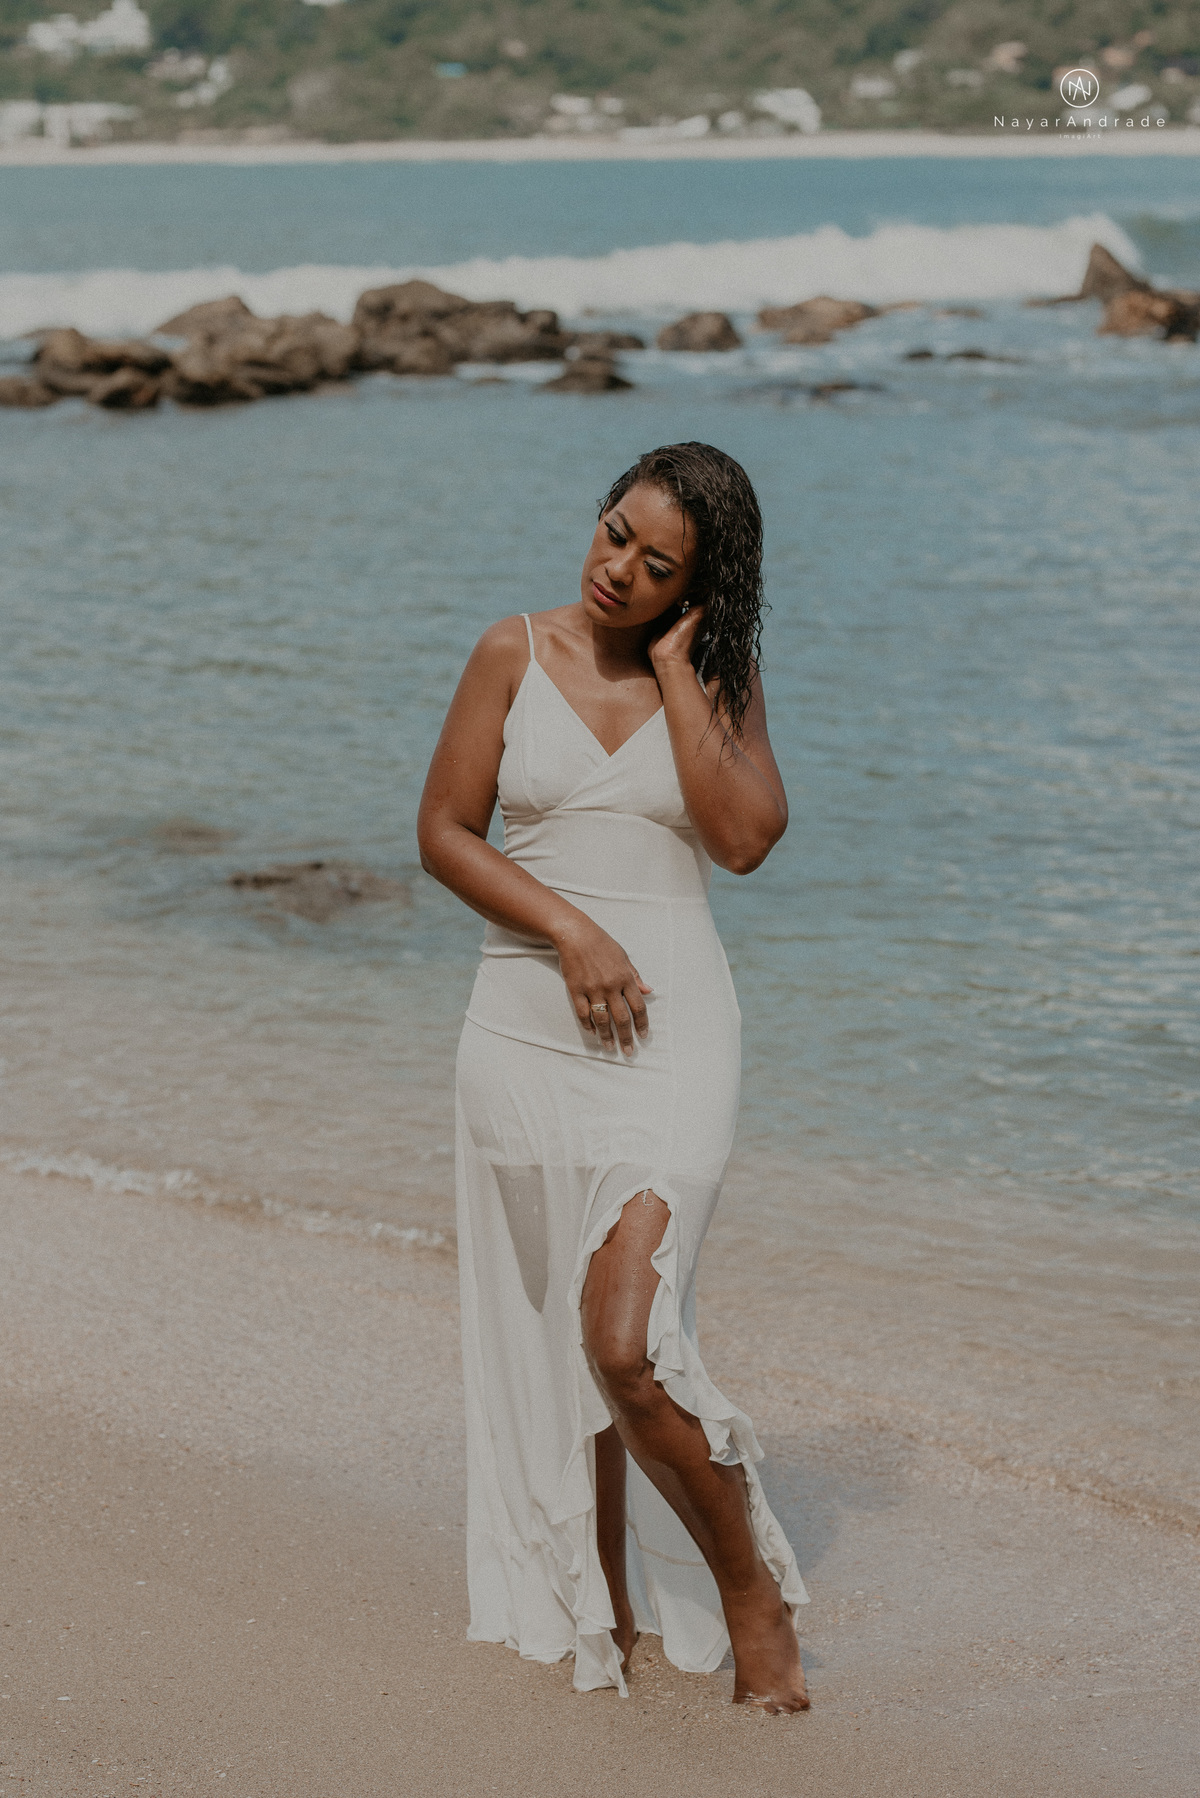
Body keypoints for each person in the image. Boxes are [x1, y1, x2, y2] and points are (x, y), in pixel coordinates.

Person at [417, 441, 809, 1713]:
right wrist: (572, 929)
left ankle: (751, 1596)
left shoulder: (716, 671)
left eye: (659, 564)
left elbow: (745, 840)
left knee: (624, 1341)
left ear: (702, 586)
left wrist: (691, 681)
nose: (617, 569)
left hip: (675, 1039)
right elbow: (442, 832)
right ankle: (606, 1599)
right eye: (613, 532)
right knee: (561, 1336)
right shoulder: (509, 651)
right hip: (524, 1036)